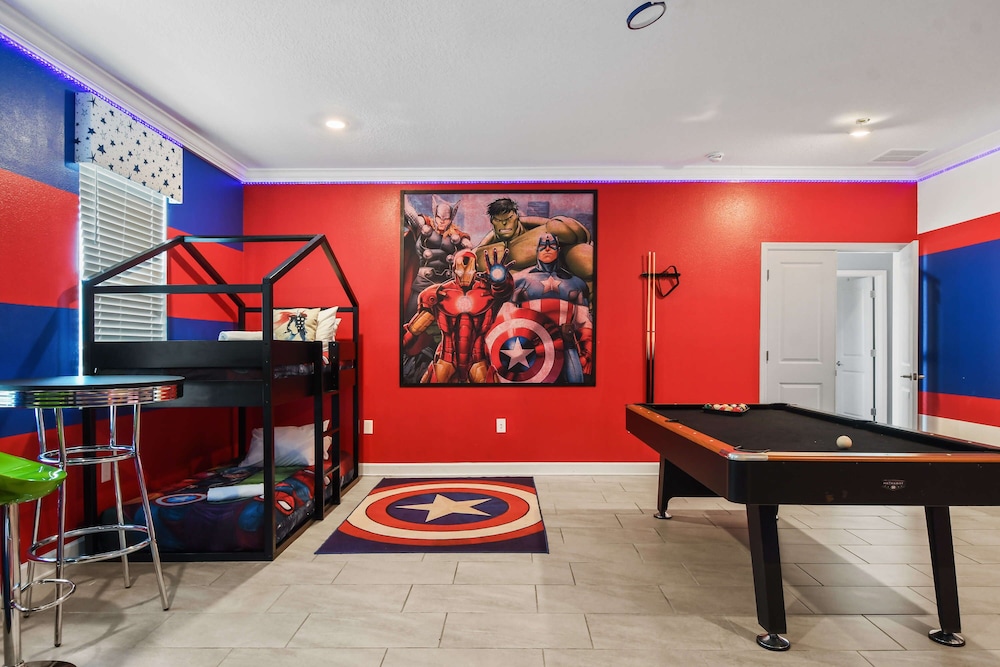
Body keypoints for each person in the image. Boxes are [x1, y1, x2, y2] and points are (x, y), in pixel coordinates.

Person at [402, 248, 513, 384]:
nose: (465, 275)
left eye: (469, 270)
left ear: (475, 269)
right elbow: (415, 329)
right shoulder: (438, 294)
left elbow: (503, 290)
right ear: (454, 269)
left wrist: (500, 280)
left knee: (491, 394)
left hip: (477, 361)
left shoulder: (488, 292)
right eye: (460, 271)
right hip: (446, 359)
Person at [494, 233, 593, 383]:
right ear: (537, 250)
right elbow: (505, 318)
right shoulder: (520, 281)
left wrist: (587, 352)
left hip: (566, 344)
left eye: (551, 246)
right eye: (543, 246)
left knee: (575, 380)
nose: (547, 249)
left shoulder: (575, 283)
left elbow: (584, 322)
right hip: (530, 345)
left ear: (558, 249)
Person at [473, 197, 594, 304]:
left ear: (516, 217)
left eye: (509, 218)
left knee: (581, 254)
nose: (504, 223)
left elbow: (580, 234)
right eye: (498, 220)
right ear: (492, 221)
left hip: (565, 286)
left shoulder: (550, 229)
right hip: (523, 300)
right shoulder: (486, 251)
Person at [402, 195, 472, 319]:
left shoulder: (457, 237)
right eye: (439, 217)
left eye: (446, 219)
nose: (441, 221)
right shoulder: (424, 227)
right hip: (423, 281)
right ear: (435, 214)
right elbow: (410, 216)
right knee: (411, 318)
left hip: (446, 284)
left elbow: (469, 253)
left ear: (452, 218)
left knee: (450, 321)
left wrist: (466, 244)